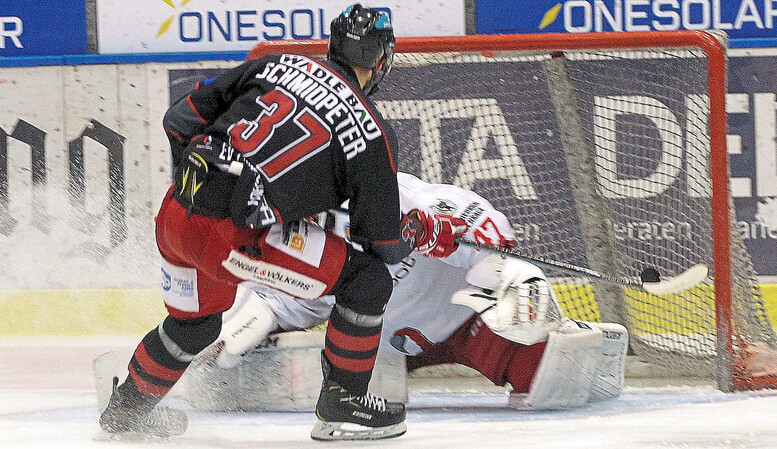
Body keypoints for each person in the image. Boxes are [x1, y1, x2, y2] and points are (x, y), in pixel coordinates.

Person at [98, 4, 467, 441]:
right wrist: (425, 232)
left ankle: (126, 411)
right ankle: (343, 404)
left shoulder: (277, 62)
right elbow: (382, 240)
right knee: (366, 282)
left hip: (175, 215)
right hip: (232, 239)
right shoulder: (371, 131)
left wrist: (202, 189)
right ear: (382, 61)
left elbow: (178, 119)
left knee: (195, 325)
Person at [191, 172, 628, 413]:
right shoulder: (292, 237)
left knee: (542, 377)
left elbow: (490, 232)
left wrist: (460, 243)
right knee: (320, 386)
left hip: (465, 320)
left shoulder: (401, 198)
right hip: (379, 345)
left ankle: (567, 331)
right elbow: (281, 300)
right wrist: (232, 334)